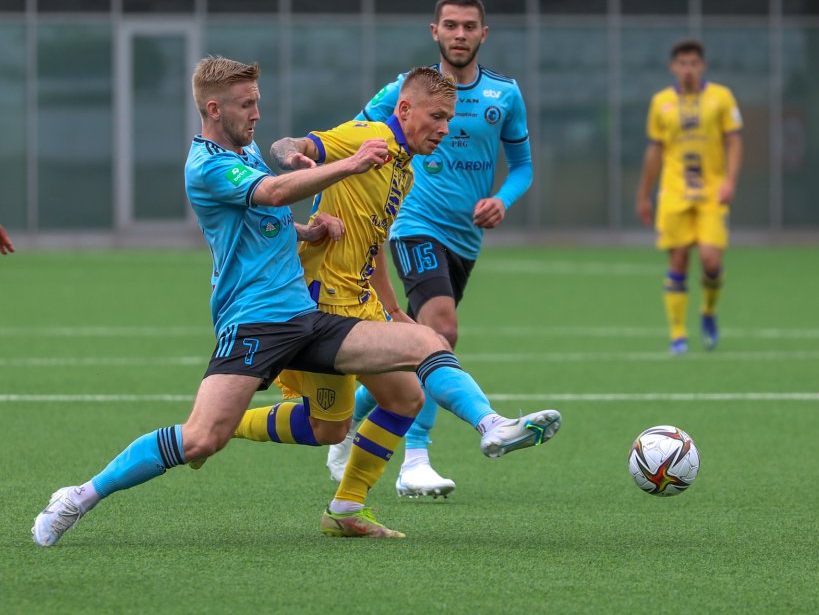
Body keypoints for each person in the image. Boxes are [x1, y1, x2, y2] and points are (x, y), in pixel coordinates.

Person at [31, 57, 558, 546]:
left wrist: (308, 231)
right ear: (214, 109)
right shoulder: (206, 164)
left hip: (308, 316)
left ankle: (489, 427)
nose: (257, 113)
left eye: (257, 101)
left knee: (420, 348)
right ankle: (80, 496)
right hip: (254, 321)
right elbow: (274, 193)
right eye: (247, 104)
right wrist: (349, 165)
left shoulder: (244, 152)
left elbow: (266, 219)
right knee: (201, 440)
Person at [231, 67, 559, 506]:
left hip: (358, 301)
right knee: (350, 408)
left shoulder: (404, 171)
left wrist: (394, 310)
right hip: (319, 305)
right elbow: (288, 144)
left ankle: (346, 508)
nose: (445, 129)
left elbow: (374, 246)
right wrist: (293, 157)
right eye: (437, 117)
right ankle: (490, 424)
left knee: (403, 398)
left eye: (449, 119)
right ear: (404, 109)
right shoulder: (367, 137)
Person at [323, 0, 535, 498]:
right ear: (434, 31)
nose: (460, 34)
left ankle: (348, 419)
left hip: (465, 238)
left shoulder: (504, 95)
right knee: (440, 330)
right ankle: (415, 458)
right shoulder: (404, 90)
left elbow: (523, 168)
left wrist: (502, 199)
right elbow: (354, 133)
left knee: (422, 344)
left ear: (484, 34)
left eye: (469, 26)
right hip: (412, 222)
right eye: (451, 25)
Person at [635, 39, 743, 354]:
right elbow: (654, 151)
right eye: (682, 63)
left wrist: (730, 181)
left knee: (711, 260)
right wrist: (644, 195)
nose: (688, 69)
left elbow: (735, 141)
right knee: (679, 259)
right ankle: (678, 334)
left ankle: (708, 311)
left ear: (702, 66)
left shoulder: (721, 98)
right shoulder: (661, 102)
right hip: (674, 192)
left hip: (712, 193)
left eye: (694, 63)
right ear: (673, 67)